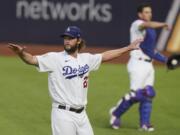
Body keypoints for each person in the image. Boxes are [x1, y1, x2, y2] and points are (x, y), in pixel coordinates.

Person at [8, 26, 142, 135]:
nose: (67, 41)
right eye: (65, 38)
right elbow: (32, 59)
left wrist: (128, 48)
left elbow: (105, 56)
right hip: (63, 115)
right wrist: (21, 53)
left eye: (70, 38)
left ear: (78, 40)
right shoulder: (54, 59)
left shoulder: (86, 59)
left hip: (82, 114)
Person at [109, 3, 170, 132]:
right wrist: (163, 24)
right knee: (136, 95)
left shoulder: (151, 30)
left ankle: (144, 124)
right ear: (140, 14)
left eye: (150, 12)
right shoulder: (137, 24)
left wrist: (165, 60)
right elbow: (147, 24)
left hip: (148, 65)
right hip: (137, 63)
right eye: (146, 12)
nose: (149, 14)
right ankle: (115, 114)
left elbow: (150, 50)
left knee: (148, 94)